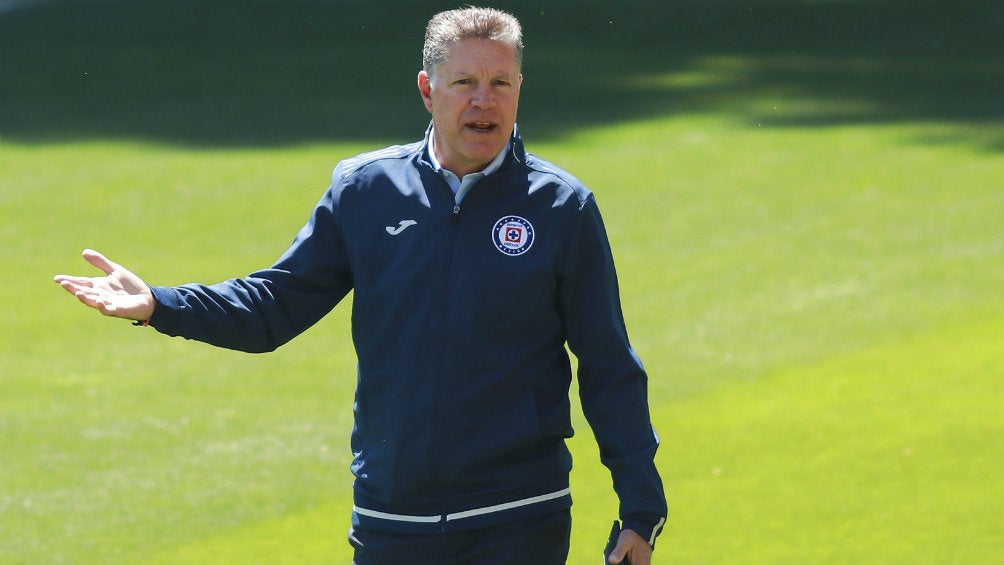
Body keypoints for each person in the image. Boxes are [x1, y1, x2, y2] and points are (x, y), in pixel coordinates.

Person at [54, 6, 667, 565]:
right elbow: (273, 307)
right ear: (428, 91)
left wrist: (639, 510)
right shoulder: (366, 189)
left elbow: (608, 362)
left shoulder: (560, 207)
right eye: (465, 83)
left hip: (516, 514)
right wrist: (160, 304)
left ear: (518, 91)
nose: (485, 101)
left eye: (500, 83)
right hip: (391, 516)